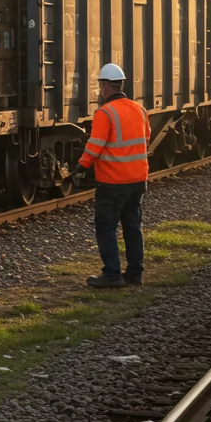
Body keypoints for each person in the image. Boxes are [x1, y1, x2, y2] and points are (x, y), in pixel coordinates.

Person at [76, 63, 150, 288]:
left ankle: (112, 274)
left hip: (113, 182)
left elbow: (95, 145)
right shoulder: (140, 109)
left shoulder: (104, 113)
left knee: (106, 227)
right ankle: (135, 274)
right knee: (132, 226)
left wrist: (80, 167)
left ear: (105, 86)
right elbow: (146, 138)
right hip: (138, 180)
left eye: (100, 85)